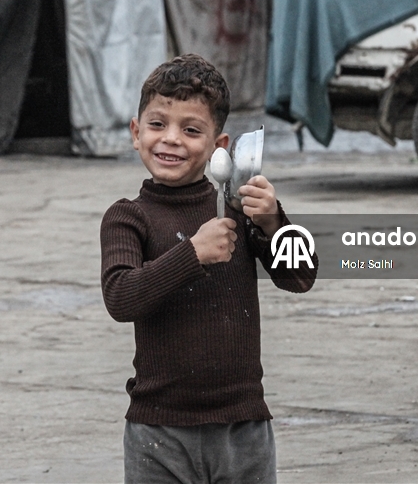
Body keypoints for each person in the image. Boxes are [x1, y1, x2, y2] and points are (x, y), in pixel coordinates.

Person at [100, 54, 317, 483]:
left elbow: (300, 276)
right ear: (135, 131)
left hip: (242, 427)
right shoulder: (127, 217)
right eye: (158, 124)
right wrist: (192, 254)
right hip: (156, 430)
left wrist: (273, 219)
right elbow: (121, 297)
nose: (171, 140)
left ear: (220, 147)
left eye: (191, 129)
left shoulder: (238, 209)